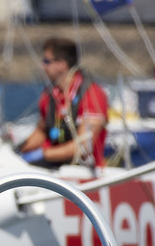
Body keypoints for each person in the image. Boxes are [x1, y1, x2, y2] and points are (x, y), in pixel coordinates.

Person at [18, 37, 108, 168]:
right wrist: (18, 150)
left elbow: (83, 147)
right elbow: (42, 132)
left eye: (46, 61)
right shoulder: (49, 95)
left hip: (83, 171)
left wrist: (44, 154)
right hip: (54, 168)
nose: (42, 66)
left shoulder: (92, 94)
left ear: (61, 64)